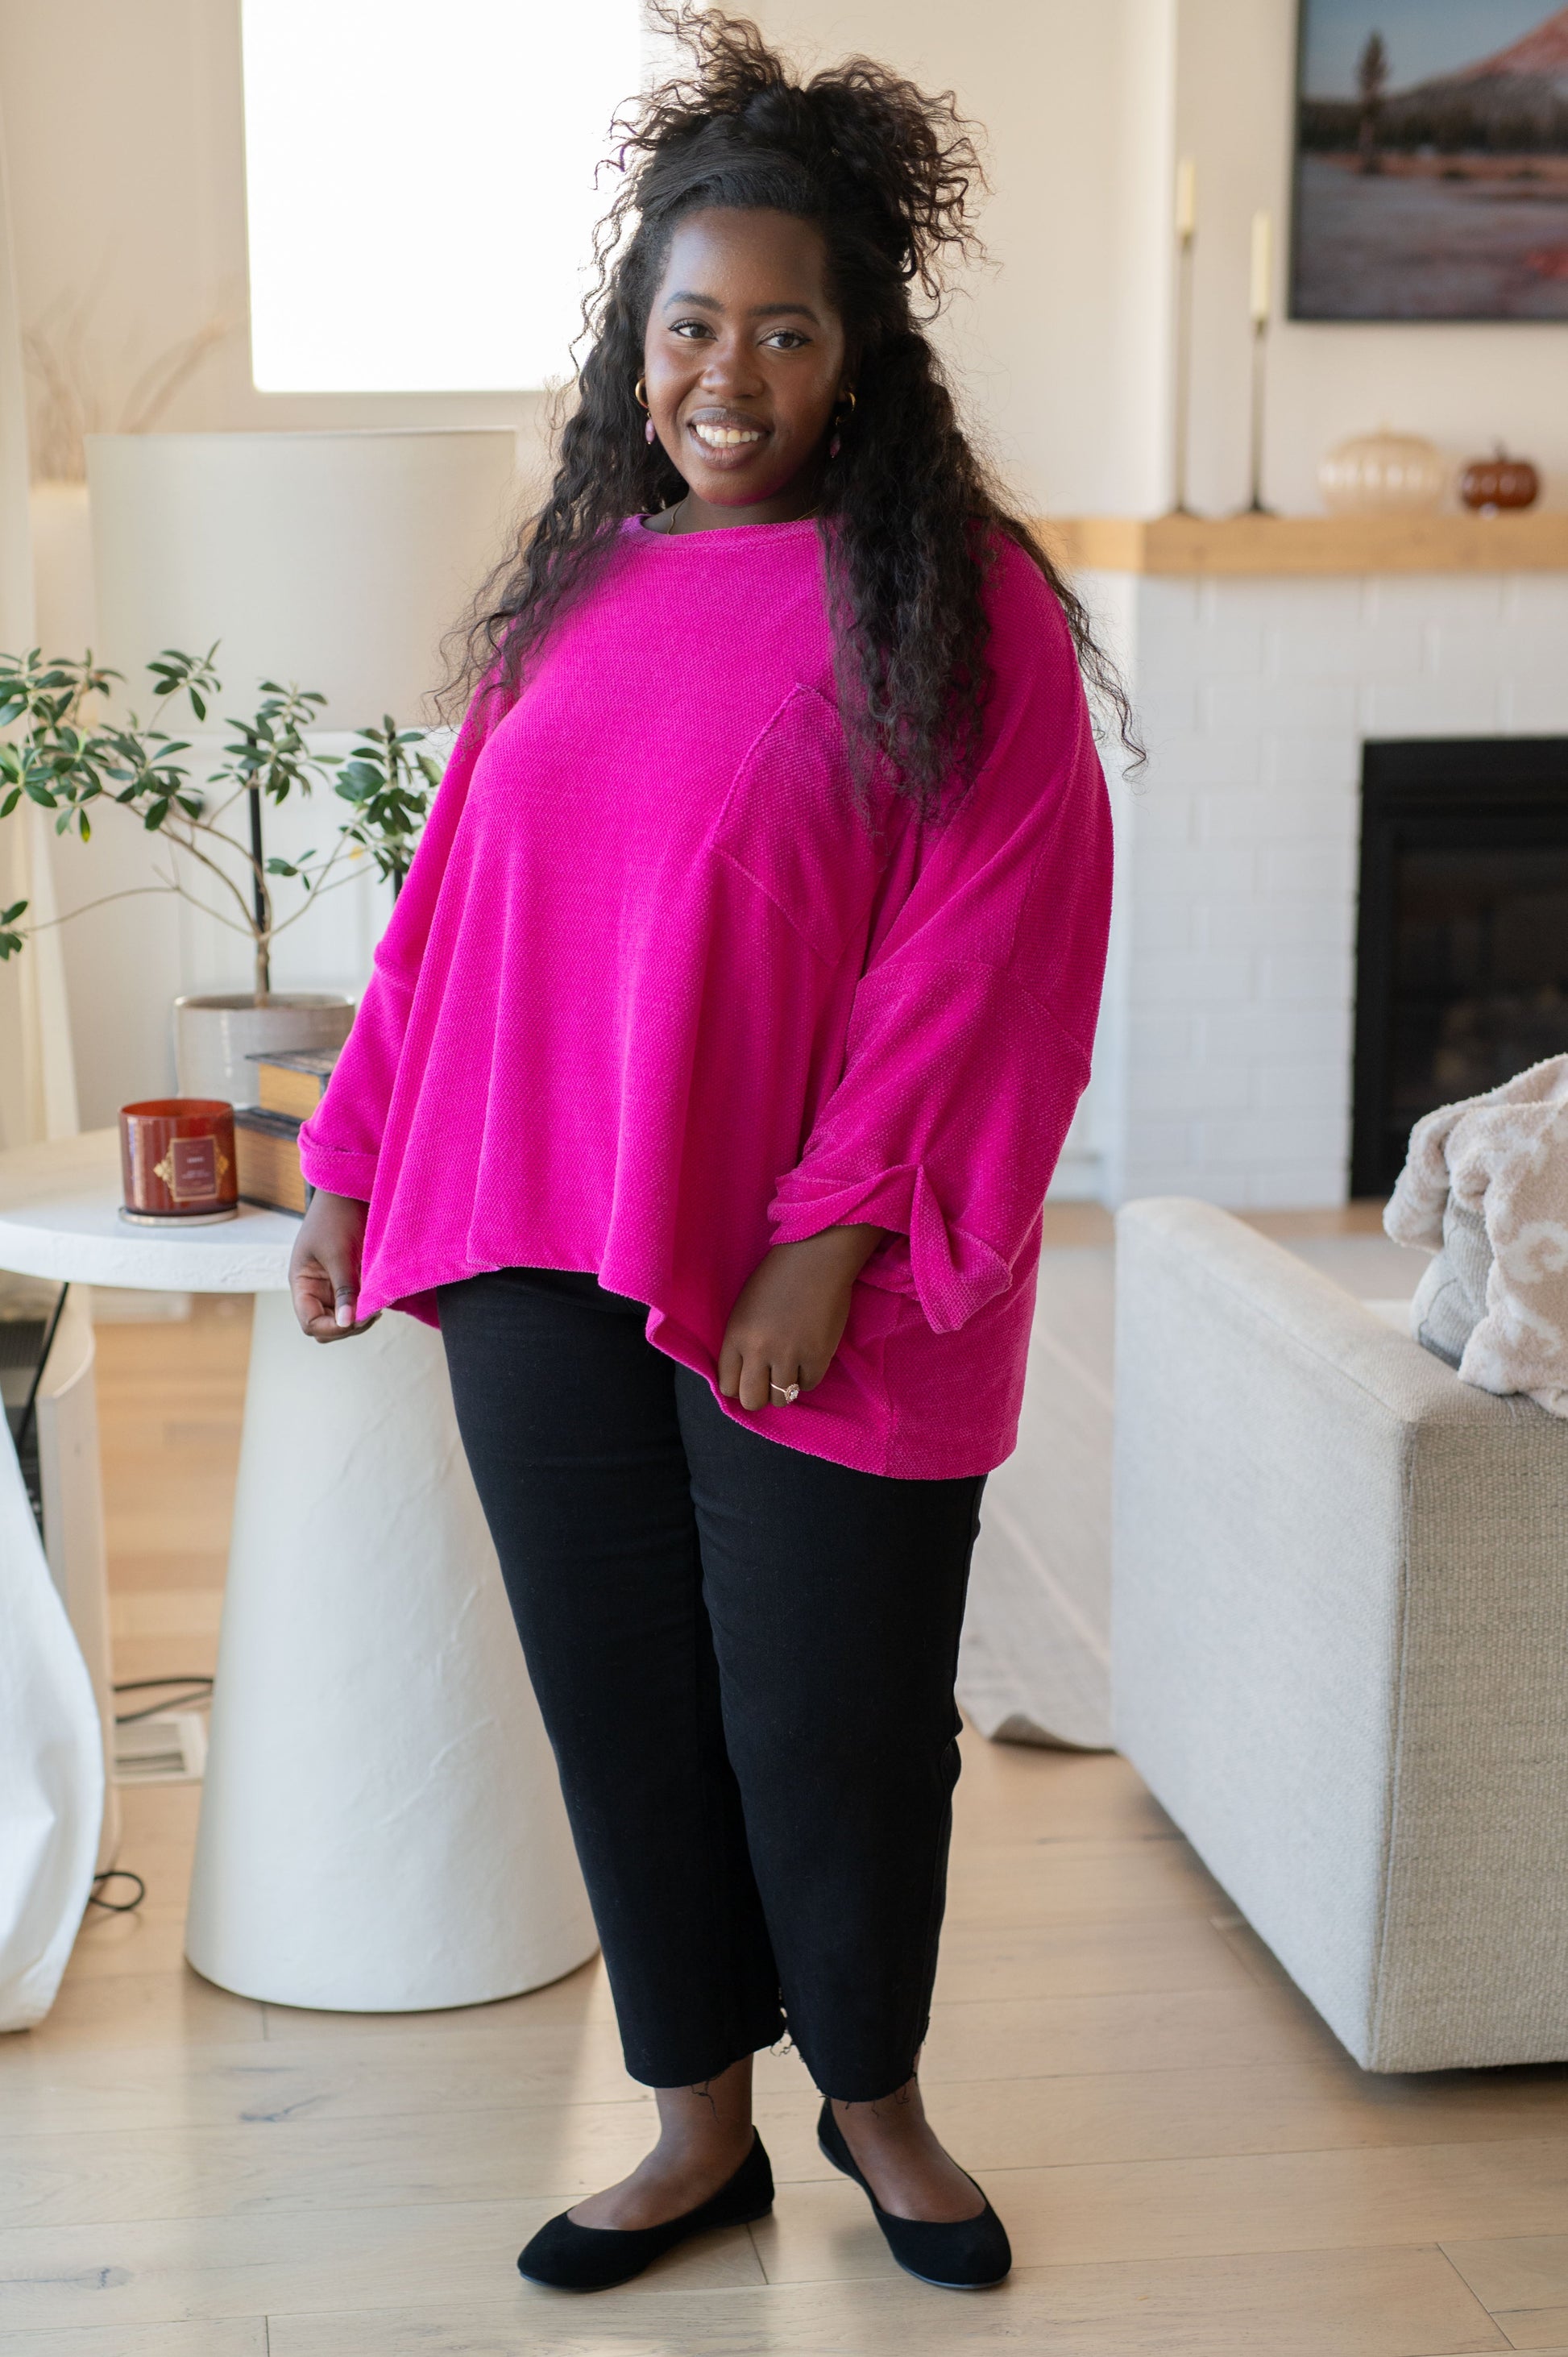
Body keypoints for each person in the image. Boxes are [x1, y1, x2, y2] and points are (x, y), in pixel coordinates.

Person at [288, 5, 1119, 2298]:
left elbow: (990, 951)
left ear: (858, 357)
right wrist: (353, 1156)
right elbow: (454, 913)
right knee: (622, 1699)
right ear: (631, 348)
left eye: (780, 328)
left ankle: (875, 2101)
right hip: (525, 1222)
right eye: (687, 325)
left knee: (832, 1714)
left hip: (798, 1265)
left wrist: (830, 1232)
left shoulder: (959, 609)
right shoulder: (574, 589)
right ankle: (693, 2131)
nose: (725, 373)